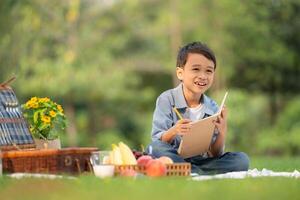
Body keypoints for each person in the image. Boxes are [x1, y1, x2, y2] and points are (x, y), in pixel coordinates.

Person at [146, 41, 249, 174]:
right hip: (172, 156)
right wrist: (174, 130)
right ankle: (195, 171)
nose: (203, 76)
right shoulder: (166, 99)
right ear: (180, 73)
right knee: (154, 148)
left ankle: (190, 171)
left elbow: (215, 154)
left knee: (241, 160)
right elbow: (157, 140)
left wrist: (222, 130)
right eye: (196, 69)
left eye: (209, 71)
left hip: (201, 161)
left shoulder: (212, 107)